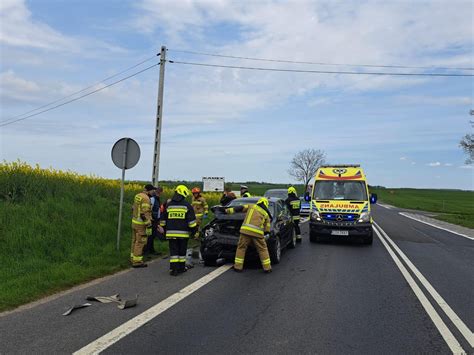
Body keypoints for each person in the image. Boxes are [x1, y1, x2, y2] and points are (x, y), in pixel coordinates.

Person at [223, 197, 272, 273]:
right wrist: (265, 233)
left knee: (241, 248)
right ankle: (267, 268)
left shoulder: (251, 206)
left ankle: (238, 267)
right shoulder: (266, 214)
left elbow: (239, 208)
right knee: (262, 249)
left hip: (246, 231)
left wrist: (227, 210)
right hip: (258, 234)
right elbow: (267, 228)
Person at [160, 185, 197, 276]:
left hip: (171, 233)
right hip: (183, 234)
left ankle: (174, 269)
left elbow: (163, 220)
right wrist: (193, 231)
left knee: (174, 252)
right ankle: (181, 268)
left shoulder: (169, 205)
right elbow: (191, 222)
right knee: (181, 252)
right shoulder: (187, 205)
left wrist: (163, 230)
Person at [131, 184, 156, 268]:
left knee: (134, 241)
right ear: (149, 190)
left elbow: (133, 208)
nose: (154, 192)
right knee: (140, 242)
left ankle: (133, 258)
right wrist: (148, 224)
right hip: (141, 224)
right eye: (153, 190)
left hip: (134, 222)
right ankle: (137, 261)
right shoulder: (146, 199)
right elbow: (144, 213)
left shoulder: (138, 195)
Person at [144, 186, 164, 256]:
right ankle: (147, 251)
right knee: (150, 235)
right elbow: (150, 209)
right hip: (152, 219)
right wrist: (151, 218)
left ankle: (151, 250)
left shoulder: (157, 199)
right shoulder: (153, 199)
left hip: (156, 219)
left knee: (153, 235)